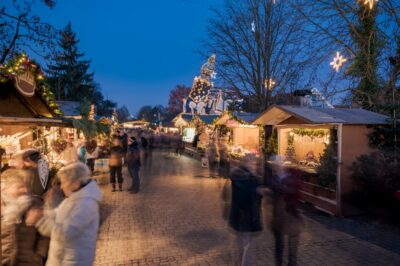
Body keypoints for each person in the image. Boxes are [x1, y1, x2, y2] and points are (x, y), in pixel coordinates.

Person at [28, 162, 102, 266]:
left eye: (64, 182)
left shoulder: (86, 204)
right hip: (63, 257)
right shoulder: (75, 197)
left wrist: (40, 221)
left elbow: (65, 233)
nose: (61, 187)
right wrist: (43, 213)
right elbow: (58, 213)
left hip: (72, 261)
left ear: (76, 183)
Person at [1, 169, 47, 266]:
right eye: (20, 187)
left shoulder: (35, 204)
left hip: (28, 262)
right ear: (5, 188)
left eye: (27, 186)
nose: (25, 190)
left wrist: (39, 255)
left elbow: (44, 235)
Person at [228, 156, 267, 266]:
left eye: (254, 164)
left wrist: (258, 191)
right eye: (252, 163)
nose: (254, 166)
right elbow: (243, 194)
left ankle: (238, 263)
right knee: (248, 245)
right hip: (245, 215)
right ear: (246, 163)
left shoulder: (245, 176)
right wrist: (257, 191)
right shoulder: (244, 177)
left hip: (239, 215)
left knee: (240, 243)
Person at [270, 164, 303, 266]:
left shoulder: (285, 180)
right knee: (282, 246)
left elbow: (295, 194)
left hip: (288, 217)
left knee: (287, 247)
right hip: (283, 217)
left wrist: (281, 188)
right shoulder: (276, 179)